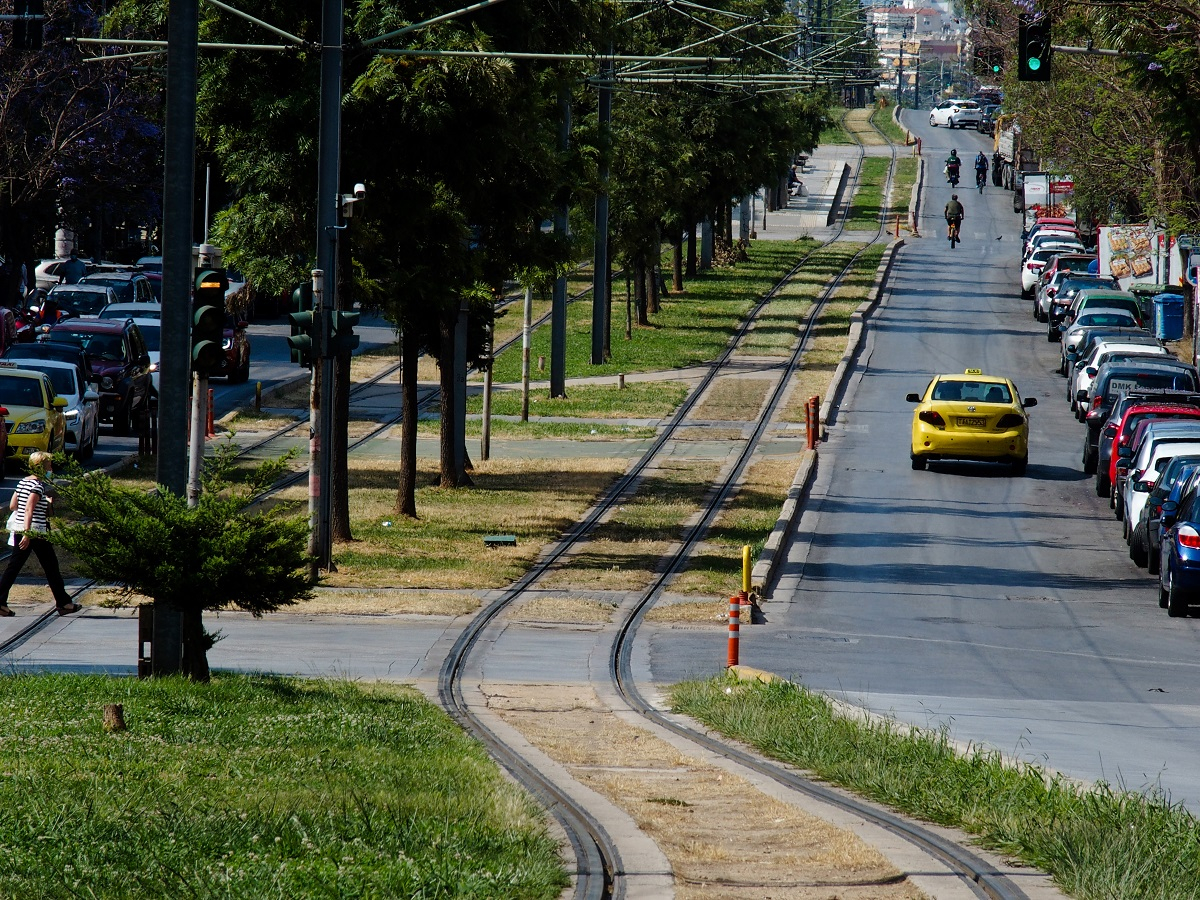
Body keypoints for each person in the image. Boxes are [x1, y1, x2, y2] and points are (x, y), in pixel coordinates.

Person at [0, 452, 81, 618]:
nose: (51, 468)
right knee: (51, 566)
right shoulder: (37, 486)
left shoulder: (22, 482)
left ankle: (1, 602)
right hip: (35, 532)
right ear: (43, 468)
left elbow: (13, 505)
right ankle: (64, 603)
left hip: (20, 529)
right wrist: (29, 532)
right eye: (49, 466)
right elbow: (30, 508)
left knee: (14, 567)